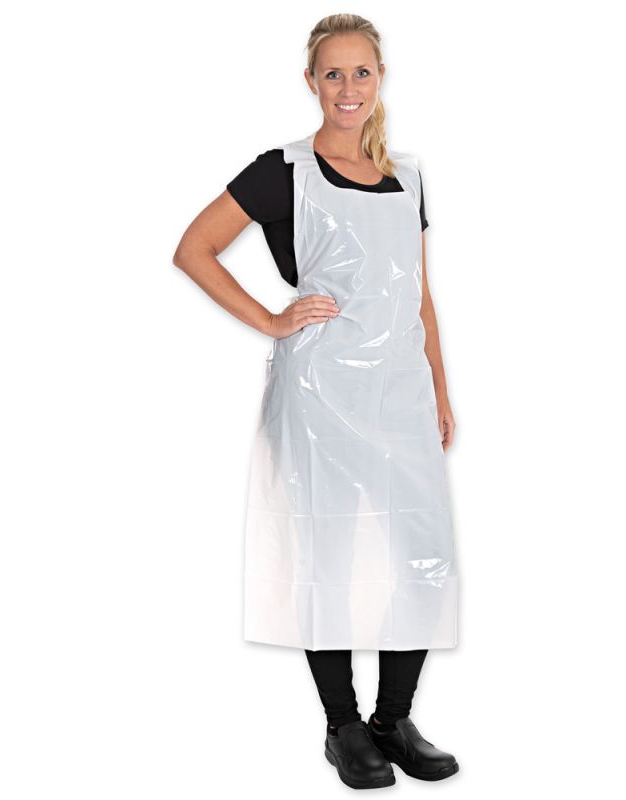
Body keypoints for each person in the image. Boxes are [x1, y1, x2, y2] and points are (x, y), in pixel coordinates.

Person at [173, 13, 459, 789]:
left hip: (398, 393)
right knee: (327, 553)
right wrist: (271, 319)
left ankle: (392, 720)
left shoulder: (408, 178)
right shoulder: (284, 171)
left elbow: (418, 294)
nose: (348, 87)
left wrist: (438, 386)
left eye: (361, 72)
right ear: (311, 81)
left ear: (381, 78)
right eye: (333, 73)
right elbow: (194, 249)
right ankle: (343, 728)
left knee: (418, 553)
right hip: (320, 394)